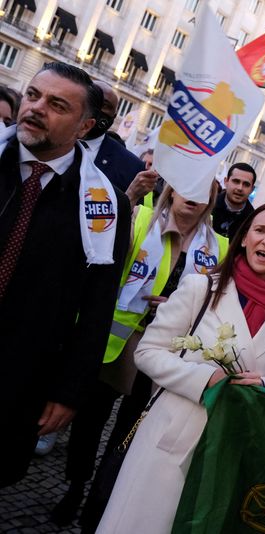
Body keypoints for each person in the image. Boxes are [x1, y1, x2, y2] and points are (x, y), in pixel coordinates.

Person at [97, 203, 265, 533]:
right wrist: (206, 377)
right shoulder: (200, 287)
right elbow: (148, 352)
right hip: (171, 440)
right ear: (245, 237)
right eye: (260, 230)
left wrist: (264, 386)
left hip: (229, 450)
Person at [54, 182, 228, 526]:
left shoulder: (217, 246)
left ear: (211, 200)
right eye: (187, 188)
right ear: (174, 190)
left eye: (202, 192)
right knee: (90, 422)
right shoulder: (142, 220)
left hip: (167, 353)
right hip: (117, 344)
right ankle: (76, 485)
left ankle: (101, 500)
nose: (192, 199)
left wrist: (179, 304)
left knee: (129, 431)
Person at [0, 61, 131, 486]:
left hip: (22, 375)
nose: (36, 108)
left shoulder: (104, 203)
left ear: (85, 125)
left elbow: (97, 303)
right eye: (34, 95)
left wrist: (71, 389)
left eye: (57, 105)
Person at [84, 81, 146, 193]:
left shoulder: (131, 166)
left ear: (114, 116)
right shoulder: (49, 138)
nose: (97, 109)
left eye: (105, 105)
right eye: (93, 102)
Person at [212, 162, 256, 238]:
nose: (240, 188)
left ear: (252, 189)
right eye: (236, 181)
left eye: (246, 184)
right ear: (226, 182)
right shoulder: (207, 206)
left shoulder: (253, 221)